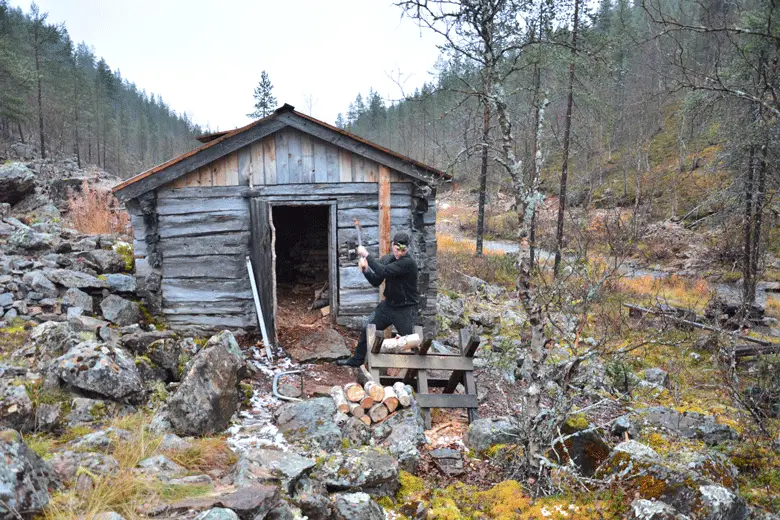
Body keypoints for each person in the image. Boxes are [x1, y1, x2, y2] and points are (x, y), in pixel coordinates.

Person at [336, 231, 419, 367]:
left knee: (410, 342)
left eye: (402, 251)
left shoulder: (408, 263)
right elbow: (376, 280)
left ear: (407, 249)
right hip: (387, 307)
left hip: (404, 309)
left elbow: (382, 271)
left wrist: (366, 255)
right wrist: (366, 271)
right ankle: (357, 361)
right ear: (393, 245)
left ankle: (417, 371)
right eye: (397, 249)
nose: (399, 253)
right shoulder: (388, 260)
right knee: (367, 328)